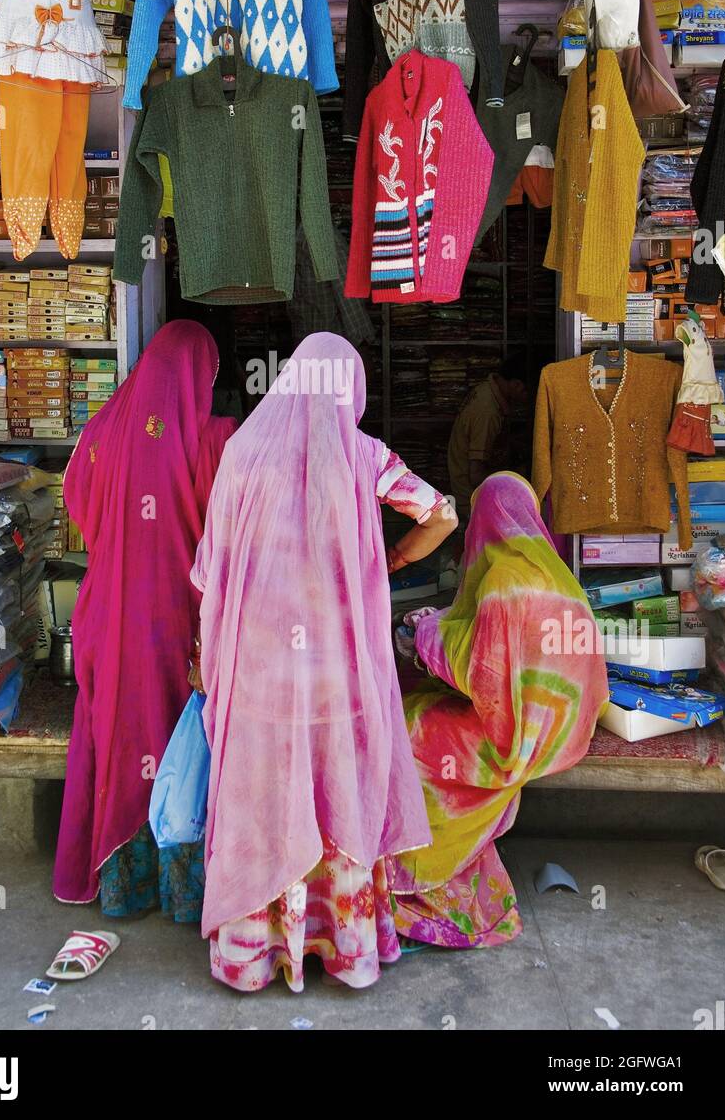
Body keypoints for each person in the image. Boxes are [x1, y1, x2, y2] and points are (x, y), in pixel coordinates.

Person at [192, 332, 457, 992]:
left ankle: (257, 955)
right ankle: (343, 948)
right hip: (337, 677)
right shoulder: (364, 456)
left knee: (265, 802)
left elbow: (211, 574)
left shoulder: (243, 453)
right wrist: (391, 561)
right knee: (337, 791)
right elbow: (442, 516)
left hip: (260, 678)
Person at [53, 320, 237, 918]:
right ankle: (179, 890)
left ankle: (119, 885)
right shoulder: (214, 439)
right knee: (177, 738)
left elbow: (77, 503)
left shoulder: (103, 428)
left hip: (106, 615)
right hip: (177, 618)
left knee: (116, 734)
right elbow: (233, 530)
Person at [389, 472, 608, 947]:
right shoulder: (558, 578)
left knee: (404, 732)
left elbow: (483, 674)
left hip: (509, 740)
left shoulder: (504, 582)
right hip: (566, 732)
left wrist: (425, 635)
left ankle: (427, 883)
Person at [446, 354, 529, 532]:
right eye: (526, 392)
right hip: (471, 496)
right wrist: (514, 479)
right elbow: (475, 475)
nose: (526, 399)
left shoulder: (487, 389)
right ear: (515, 385)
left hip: (471, 483)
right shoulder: (488, 412)